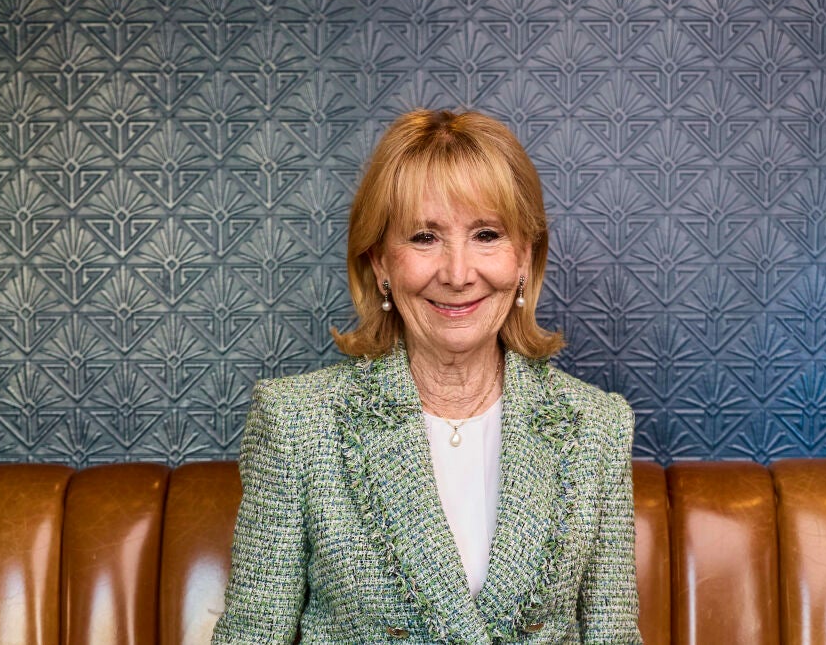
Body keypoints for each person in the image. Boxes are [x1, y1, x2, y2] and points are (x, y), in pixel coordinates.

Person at [212, 109, 641, 644]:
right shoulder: (296, 424)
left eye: (486, 234)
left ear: (524, 259)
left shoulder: (596, 425)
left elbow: (612, 635)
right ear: (380, 263)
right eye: (423, 237)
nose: (458, 274)